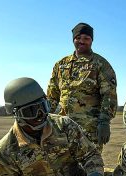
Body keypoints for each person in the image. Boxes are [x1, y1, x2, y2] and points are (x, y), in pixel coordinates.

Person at [47, 22, 117, 150]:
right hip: (62, 128)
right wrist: (45, 119)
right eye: (78, 38)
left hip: (89, 130)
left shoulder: (100, 64)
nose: (82, 41)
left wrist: (104, 121)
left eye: (86, 38)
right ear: (73, 39)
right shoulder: (61, 65)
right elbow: (52, 96)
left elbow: (109, 95)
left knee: (90, 166)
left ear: (92, 41)